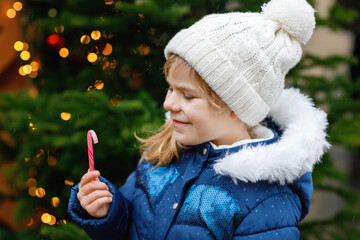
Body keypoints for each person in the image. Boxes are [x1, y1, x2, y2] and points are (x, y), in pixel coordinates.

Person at [68, 0, 330, 239]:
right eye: (171, 88)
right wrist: (108, 211)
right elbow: (131, 224)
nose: (168, 103)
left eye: (188, 95)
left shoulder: (266, 199)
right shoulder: (165, 153)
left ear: (234, 107)